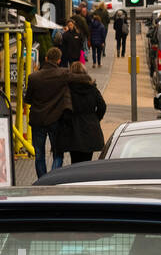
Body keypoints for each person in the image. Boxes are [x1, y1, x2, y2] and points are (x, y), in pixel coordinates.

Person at [25, 46, 71, 177]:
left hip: (38, 120)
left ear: (46, 58)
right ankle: (53, 180)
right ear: (58, 60)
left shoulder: (33, 77)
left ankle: (42, 180)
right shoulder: (63, 74)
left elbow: (28, 99)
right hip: (56, 120)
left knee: (39, 154)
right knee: (58, 153)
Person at [64, 62, 106, 163]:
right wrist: (95, 118)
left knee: (74, 161)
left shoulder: (67, 88)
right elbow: (102, 106)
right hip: (90, 127)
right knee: (87, 161)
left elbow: (64, 107)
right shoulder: (92, 87)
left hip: (73, 128)